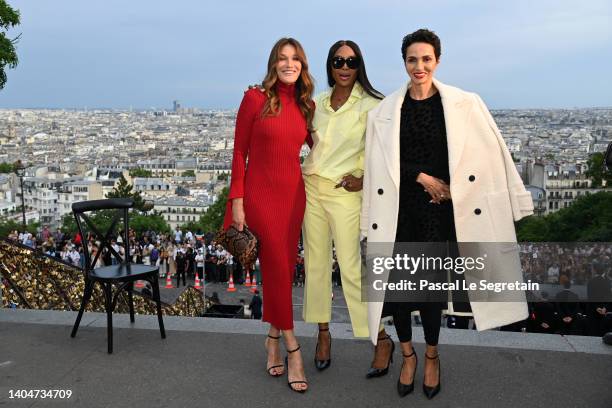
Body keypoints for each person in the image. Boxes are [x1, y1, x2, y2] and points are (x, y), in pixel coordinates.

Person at [360, 29, 534, 399]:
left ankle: (433, 356)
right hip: (400, 207)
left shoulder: (464, 103)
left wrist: (454, 189)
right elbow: (381, 164)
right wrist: (423, 178)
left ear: (437, 60)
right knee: (401, 291)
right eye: (412, 59)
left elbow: (486, 157)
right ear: (404, 62)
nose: (418, 66)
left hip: (441, 211)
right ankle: (408, 356)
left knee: (429, 293)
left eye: (425, 59)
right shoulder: (385, 111)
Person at [223, 37, 314, 392]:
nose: (289, 64)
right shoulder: (254, 99)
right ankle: (294, 348)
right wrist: (237, 201)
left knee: (282, 269)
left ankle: (272, 340)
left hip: (294, 198)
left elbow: (322, 149)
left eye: (296, 59)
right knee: (277, 266)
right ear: (273, 63)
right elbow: (238, 153)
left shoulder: (306, 107)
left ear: (302, 66)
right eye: (283, 58)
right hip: (261, 198)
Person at [300, 40, 383, 371]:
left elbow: (385, 151)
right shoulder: (316, 103)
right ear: (330, 65)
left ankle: (379, 336)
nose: (345, 67)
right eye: (338, 61)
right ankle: (323, 334)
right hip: (312, 187)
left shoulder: (374, 105)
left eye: (351, 61)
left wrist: (364, 178)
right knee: (316, 265)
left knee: (351, 267)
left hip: (345, 192)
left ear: (359, 65)